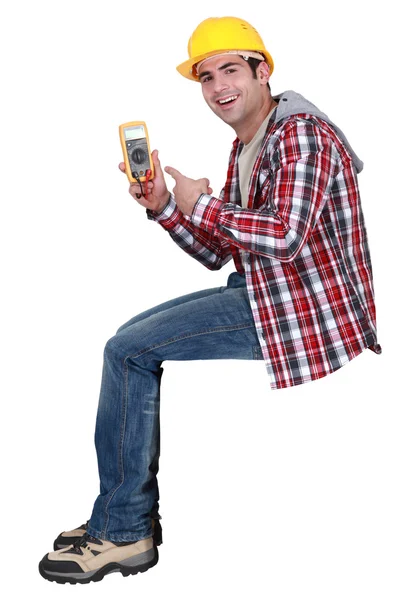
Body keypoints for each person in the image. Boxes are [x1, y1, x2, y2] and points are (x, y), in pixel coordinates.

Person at [38, 16, 381, 584]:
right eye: (206, 76)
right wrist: (167, 204)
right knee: (126, 341)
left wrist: (202, 205)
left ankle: (123, 532)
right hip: (266, 291)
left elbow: (283, 235)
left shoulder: (302, 134)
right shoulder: (252, 140)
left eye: (230, 70)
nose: (219, 86)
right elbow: (224, 250)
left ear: (262, 71)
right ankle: (125, 515)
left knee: (126, 352)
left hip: (302, 312)